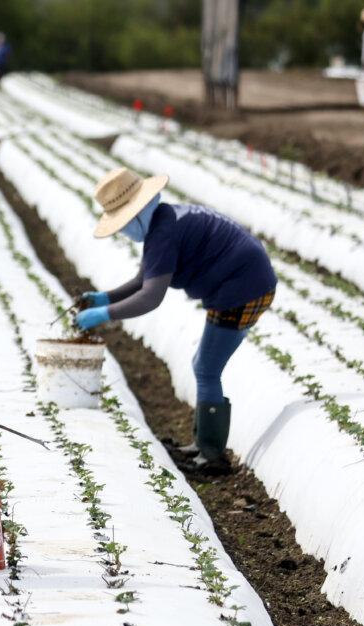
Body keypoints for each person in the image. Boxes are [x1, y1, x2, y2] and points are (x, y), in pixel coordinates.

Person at [75, 168, 276, 472]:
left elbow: (150, 296)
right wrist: (105, 297)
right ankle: (203, 446)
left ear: (138, 212)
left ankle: (211, 456)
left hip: (245, 286)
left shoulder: (164, 231)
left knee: (206, 368)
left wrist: (104, 314)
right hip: (242, 280)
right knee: (204, 367)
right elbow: (145, 278)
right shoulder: (164, 221)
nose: (124, 232)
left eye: (124, 225)